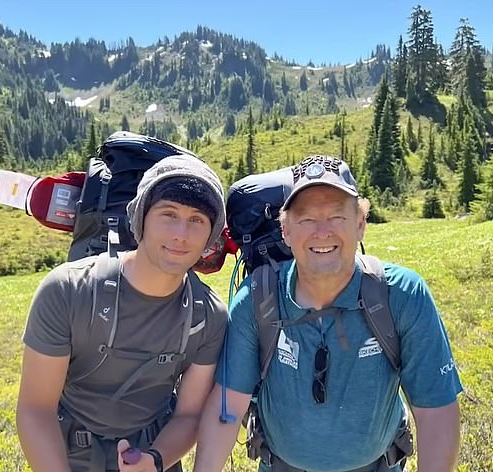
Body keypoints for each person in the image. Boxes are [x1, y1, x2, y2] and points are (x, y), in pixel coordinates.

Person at [194, 155, 463, 472]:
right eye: (306, 219)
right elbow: (228, 406)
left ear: (361, 224)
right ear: (286, 231)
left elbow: (436, 411)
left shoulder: (402, 295)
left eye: (337, 216)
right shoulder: (257, 298)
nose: (322, 232)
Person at [16, 154, 229, 472]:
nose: (181, 234)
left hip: (155, 455)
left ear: (211, 235)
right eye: (168, 214)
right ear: (140, 218)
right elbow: (36, 410)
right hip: (65, 455)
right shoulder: (68, 290)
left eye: (197, 220)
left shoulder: (208, 315)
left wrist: (154, 461)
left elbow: (188, 415)